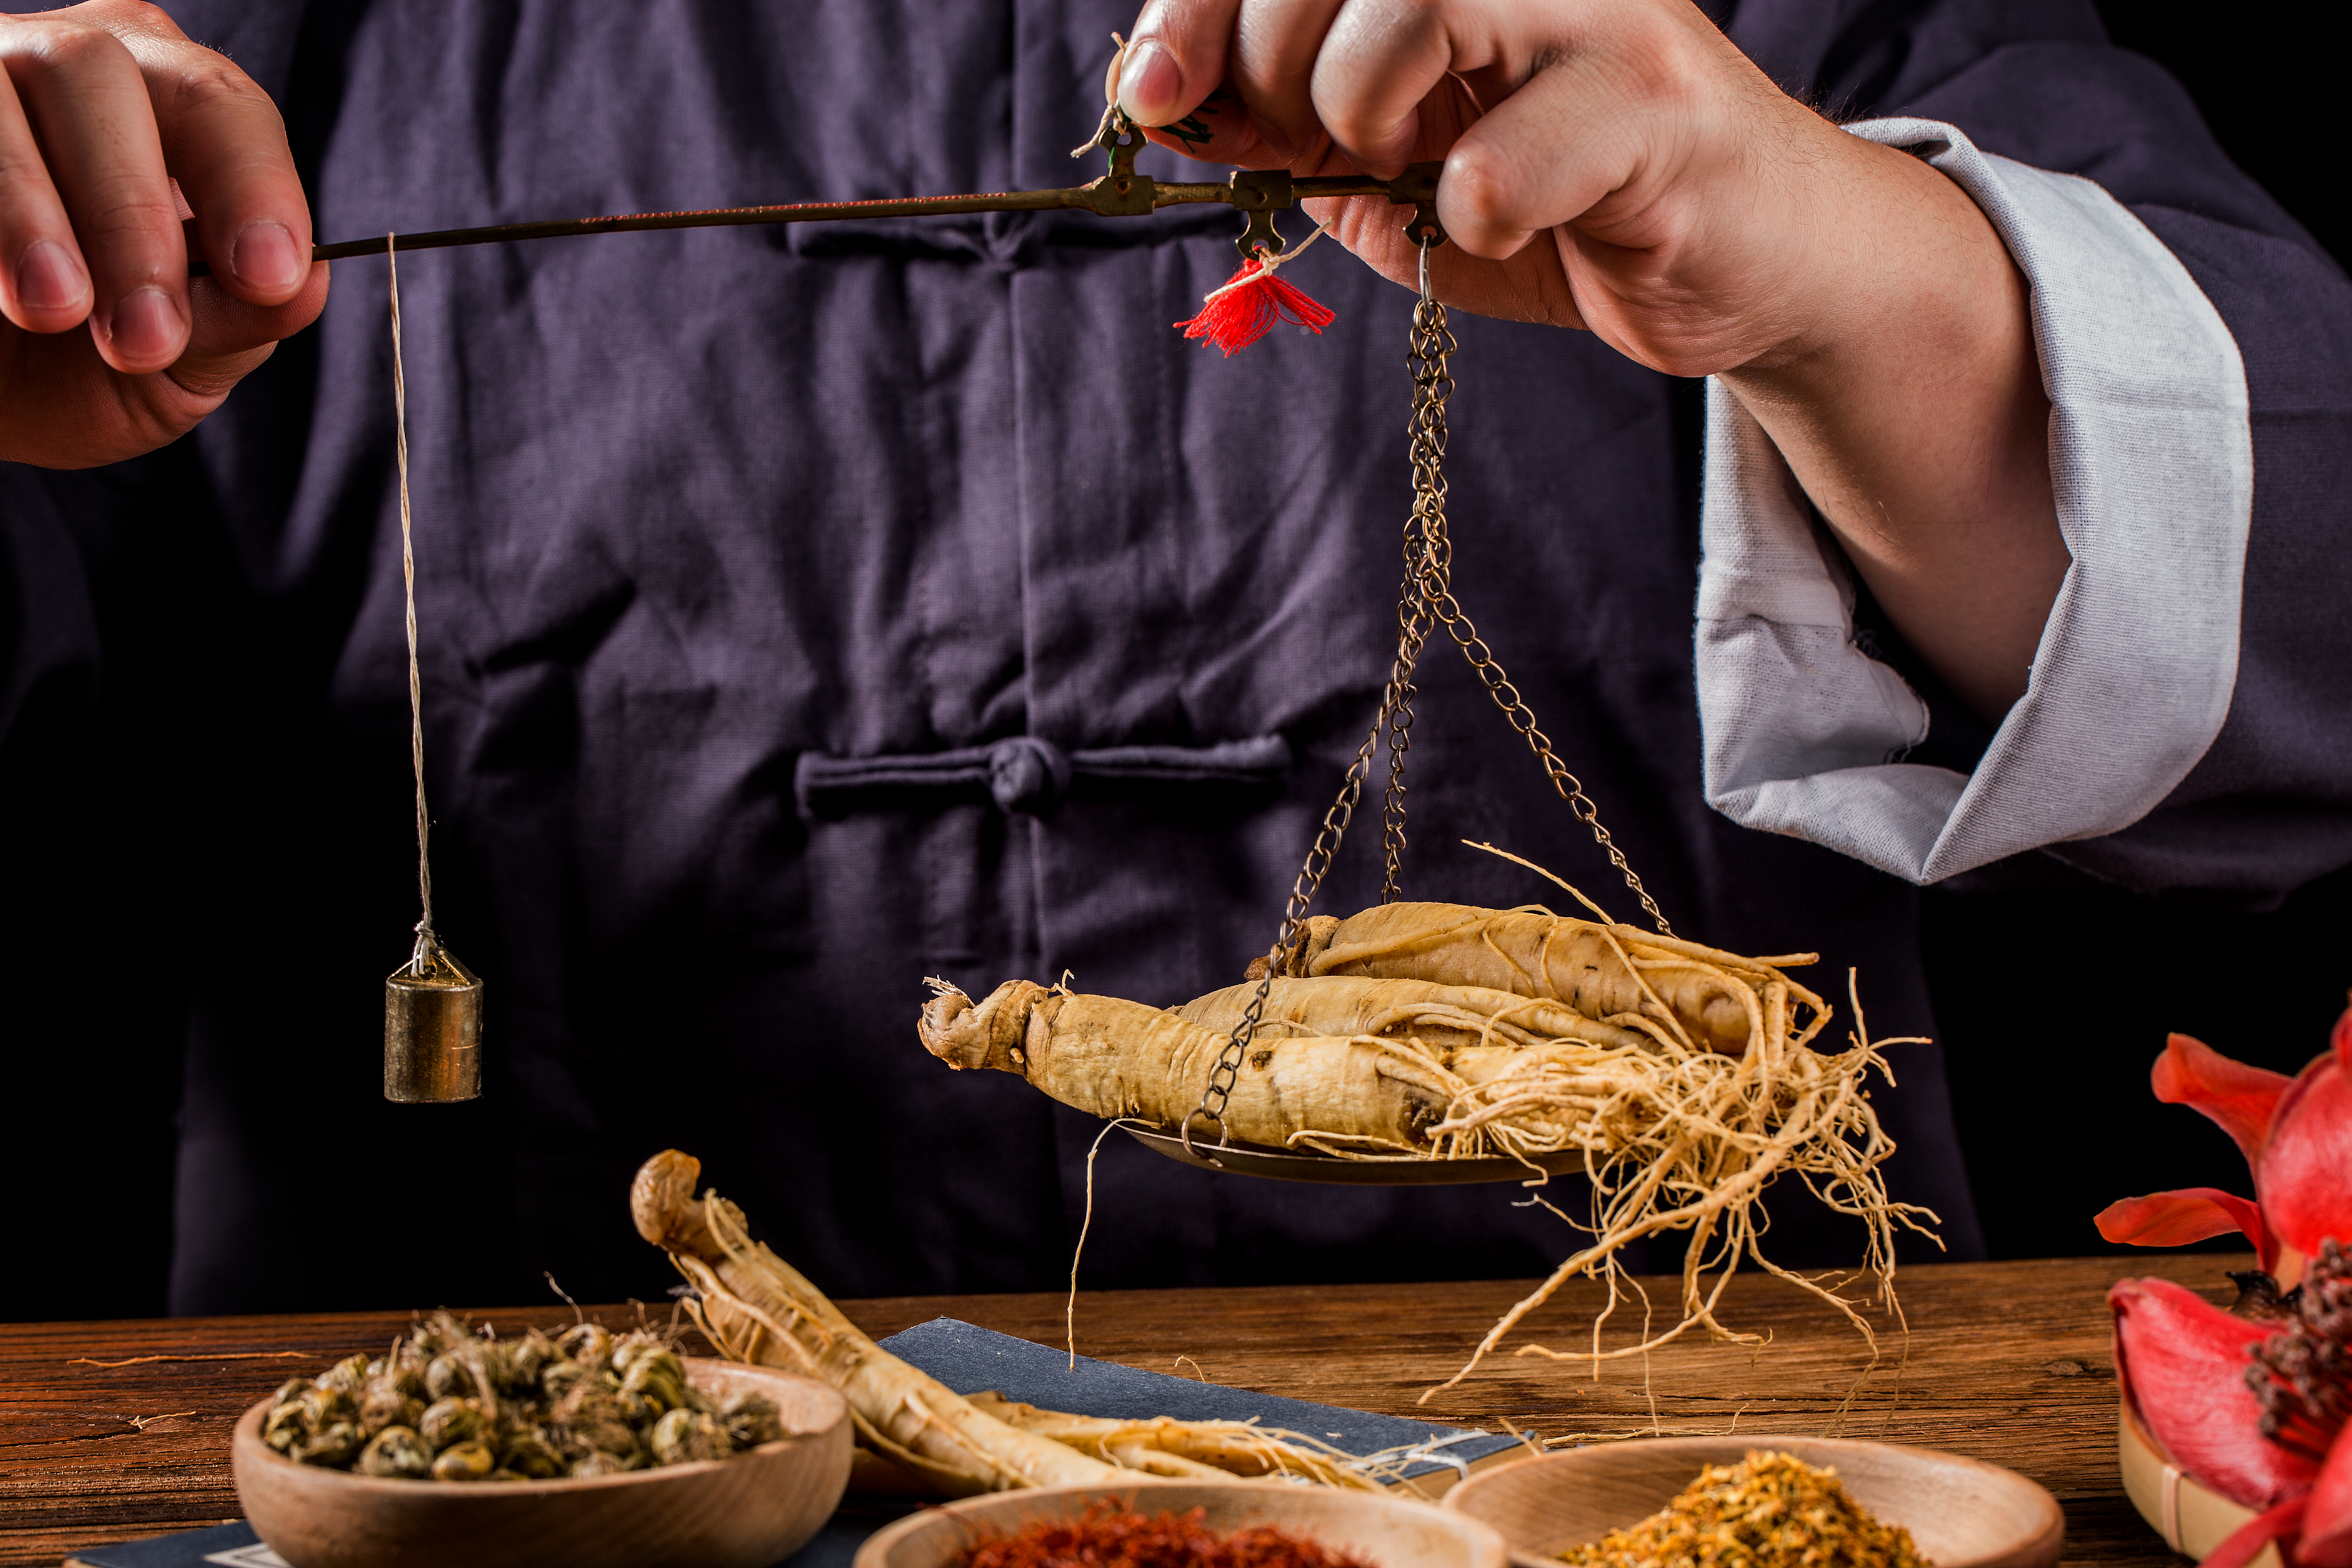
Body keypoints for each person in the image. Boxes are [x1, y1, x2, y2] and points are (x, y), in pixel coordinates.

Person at [1, 0, 2345, 1317]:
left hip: (1646, 1441)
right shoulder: (231, 33)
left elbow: (2304, 625)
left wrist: (1847, 269)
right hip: (538, 1447)